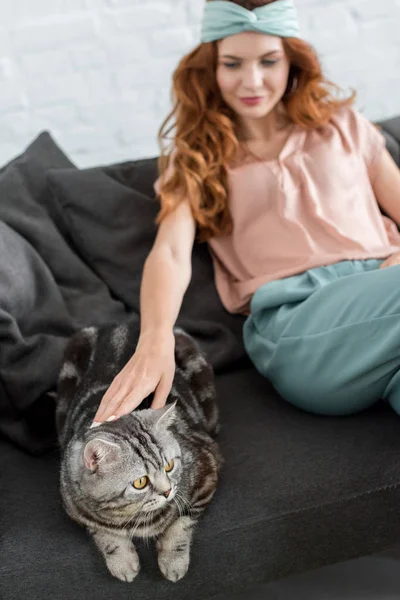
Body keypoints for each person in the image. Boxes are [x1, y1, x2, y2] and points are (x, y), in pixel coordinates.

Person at [90, 0, 400, 428]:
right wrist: (155, 339)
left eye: (268, 61)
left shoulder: (345, 126)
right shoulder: (197, 158)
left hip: (385, 296)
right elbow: (171, 254)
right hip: (298, 323)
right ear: (211, 70)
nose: (251, 81)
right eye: (232, 63)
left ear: (292, 62)